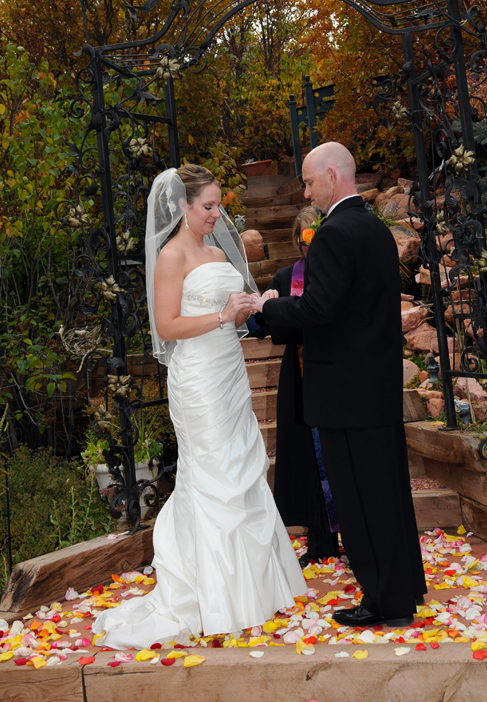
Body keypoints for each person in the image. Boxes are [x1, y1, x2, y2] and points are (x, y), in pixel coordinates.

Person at [92, 165, 305, 650]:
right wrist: (222, 314)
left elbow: (228, 315)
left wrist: (253, 305)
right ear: (182, 206)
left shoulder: (214, 250)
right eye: (207, 206)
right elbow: (167, 327)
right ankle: (213, 592)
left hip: (228, 371)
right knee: (213, 473)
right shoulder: (170, 256)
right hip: (198, 381)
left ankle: (254, 587)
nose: (216, 214)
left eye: (217, 205)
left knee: (242, 466)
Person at [251, 142, 427, 629]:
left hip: (346, 395)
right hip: (376, 386)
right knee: (387, 493)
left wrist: (266, 307)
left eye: (309, 181)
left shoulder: (333, 234)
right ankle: (404, 586)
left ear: (332, 176)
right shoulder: (372, 229)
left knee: (361, 501)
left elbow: (316, 311)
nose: (306, 190)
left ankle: (383, 603)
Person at [248, 206, 339, 566]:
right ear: (295, 239)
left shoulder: (336, 274)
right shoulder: (287, 277)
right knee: (308, 459)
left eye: (315, 235)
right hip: (299, 379)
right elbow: (259, 328)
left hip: (335, 376)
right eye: (304, 237)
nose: (309, 244)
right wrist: (263, 307)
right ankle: (320, 542)